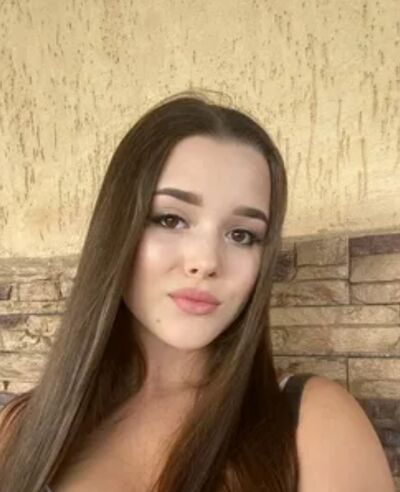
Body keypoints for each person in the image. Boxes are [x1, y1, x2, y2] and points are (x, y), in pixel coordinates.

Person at [0, 91, 395, 492]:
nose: (206, 261)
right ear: (118, 228)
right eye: (171, 219)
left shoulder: (314, 424)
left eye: (241, 235)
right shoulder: (19, 429)